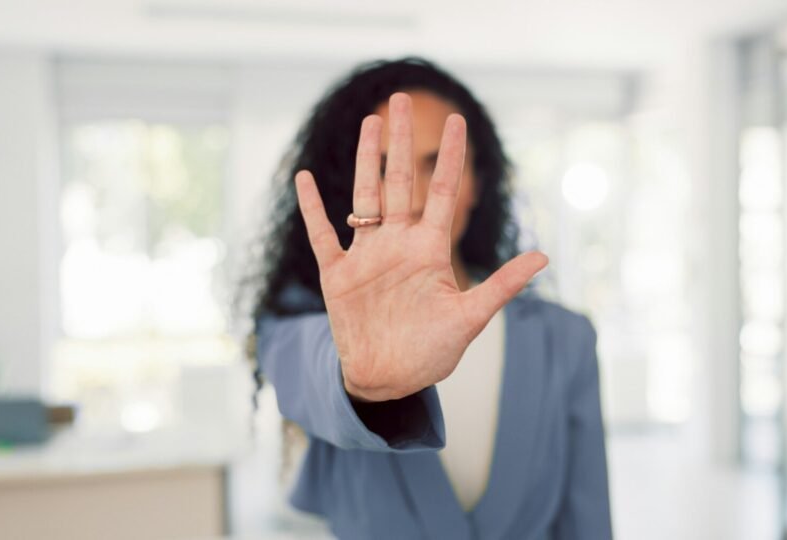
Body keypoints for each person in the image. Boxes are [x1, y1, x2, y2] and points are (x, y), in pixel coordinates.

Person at [249, 57, 611, 539]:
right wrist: (363, 384)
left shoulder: (566, 340)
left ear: (479, 182)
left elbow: (588, 523)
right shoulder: (303, 329)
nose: (415, 193)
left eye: (438, 163)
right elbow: (309, 373)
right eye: (381, 167)